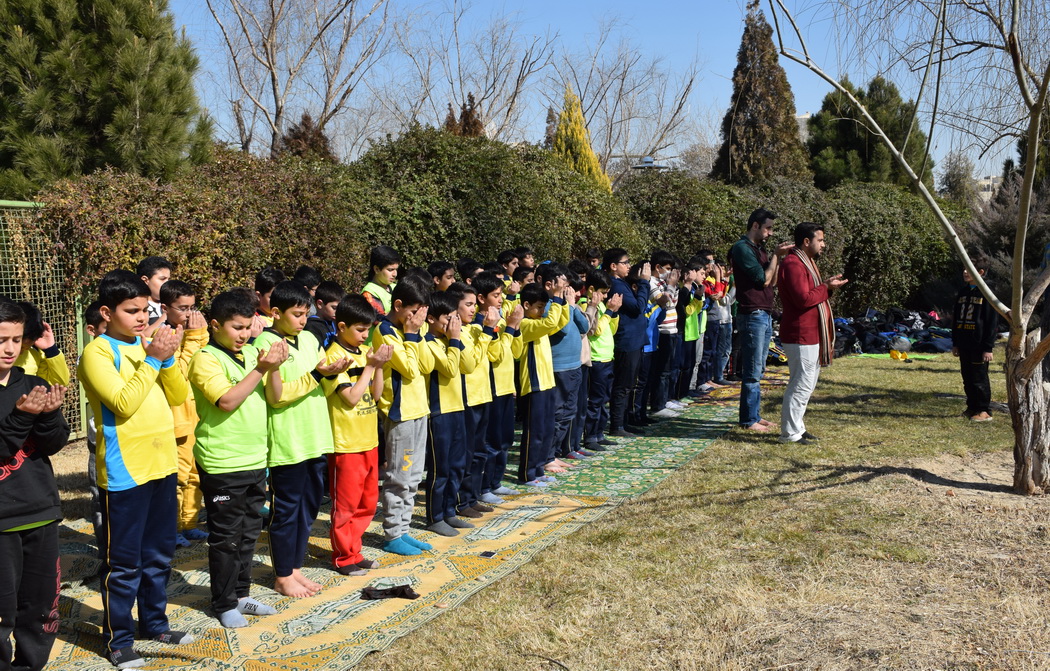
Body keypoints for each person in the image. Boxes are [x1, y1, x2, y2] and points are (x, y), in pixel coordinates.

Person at [77, 270, 194, 668]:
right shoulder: (97, 352)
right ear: (107, 313)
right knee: (124, 563)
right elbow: (123, 404)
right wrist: (153, 359)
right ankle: (119, 640)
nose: (142, 318)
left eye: (146, 309)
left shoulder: (147, 347)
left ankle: (155, 624)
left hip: (161, 466)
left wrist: (166, 360)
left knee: (159, 555)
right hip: (125, 472)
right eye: (132, 311)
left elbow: (178, 395)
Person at [187, 290, 287, 628]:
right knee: (226, 538)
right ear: (215, 325)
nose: (244, 335)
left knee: (249, 533)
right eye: (237, 328)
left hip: (256, 459)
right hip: (222, 463)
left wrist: (274, 369)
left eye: (248, 328)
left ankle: (241, 595)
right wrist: (262, 367)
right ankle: (223, 602)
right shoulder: (205, 359)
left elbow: (275, 398)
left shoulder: (250, 356)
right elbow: (227, 401)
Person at [254, 281, 343, 598]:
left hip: (315, 436)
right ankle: (281, 575)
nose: (303, 321)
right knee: (286, 510)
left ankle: (294, 568)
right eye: (296, 314)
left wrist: (332, 372)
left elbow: (318, 381)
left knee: (307, 509)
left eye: (306, 314)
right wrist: (319, 375)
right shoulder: (265, 343)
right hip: (288, 441)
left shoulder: (308, 338)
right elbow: (277, 397)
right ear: (275, 313)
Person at [0, 297, 70, 671]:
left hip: (40, 512)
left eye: (15, 339)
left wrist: (48, 416)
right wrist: (22, 416)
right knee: (2, 613)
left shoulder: (34, 383)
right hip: (2, 523)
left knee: (41, 610)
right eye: (0, 340)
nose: (10, 348)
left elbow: (54, 443)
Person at [321, 294, 392, 575]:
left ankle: (355, 550)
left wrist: (380, 368)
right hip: (346, 444)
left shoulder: (365, 354)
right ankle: (342, 557)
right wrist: (372, 367)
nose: (365, 336)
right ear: (341, 327)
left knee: (366, 502)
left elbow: (374, 395)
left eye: (368, 330)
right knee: (346, 505)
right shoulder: (334, 357)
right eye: (360, 330)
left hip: (369, 440)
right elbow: (350, 397)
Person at [373, 280, 435, 557]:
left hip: (419, 410)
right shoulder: (385, 332)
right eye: (413, 312)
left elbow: (426, 365)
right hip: (400, 415)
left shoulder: (409, 332)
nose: (417, 319)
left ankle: (404, 529)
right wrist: (411, 335)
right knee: (398, 476)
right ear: (398, 306)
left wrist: (415, 334)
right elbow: (409, 370)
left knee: (413, 477)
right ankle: (393, 533)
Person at [778, 223, 847, 444]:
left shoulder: (804, 263)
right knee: (801, 383)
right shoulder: (793, 264)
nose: (823, 245)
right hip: (800, 333)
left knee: (807, 382)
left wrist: (827, 286)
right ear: (806, 242)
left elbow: (810, 295)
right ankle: (790, 433)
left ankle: (798, 427)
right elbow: (803, 299)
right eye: (821, 240)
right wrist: (826, 288)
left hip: (810, 333)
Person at [728, 208, 795, 432]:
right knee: (752, 370)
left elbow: (772, 281)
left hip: (764, 312)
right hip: (752, 313)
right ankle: (748, 420)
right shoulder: (742, 249)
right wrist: (776, 255)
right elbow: (761, 280)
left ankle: (754, 415)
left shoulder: (759, 250)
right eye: (768, 228)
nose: (771, 233)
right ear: (755, 226)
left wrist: (777, 259)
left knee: (760, 368)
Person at [159, 280, 210, 547]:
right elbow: (179, 372)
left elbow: (203, 364)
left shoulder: (194, 332)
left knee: (195, 475)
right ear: (165, 308)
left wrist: (198, 336)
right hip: (175, 417)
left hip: (197, 415)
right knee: (177, 478)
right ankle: (172, 528)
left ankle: (190, 524)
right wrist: (193, 337)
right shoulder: (164, 335)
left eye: (193, 307)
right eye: (182, 308)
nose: (189, 315)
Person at [421, 291, 474, 536]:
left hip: (458, 407)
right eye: (448, 318)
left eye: (455, 318)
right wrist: (453, 340)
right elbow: (451, 369)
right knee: (439, 468)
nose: (453, 323)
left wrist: (457, 338)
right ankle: (435, 516)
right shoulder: (429, 343)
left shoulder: (450, 339)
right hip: (439, 411)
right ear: (431, 319)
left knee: (456, 465)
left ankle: (450, 511)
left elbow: (468, 366)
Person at [448, 280, 501, 515]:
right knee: (466, 453)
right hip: (467, 398)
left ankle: (472, 495)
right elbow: (470, 363)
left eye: (473, 304)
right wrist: (487, 332)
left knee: (480, 451)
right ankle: (461, 500)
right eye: (467, 305)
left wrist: (492, 330)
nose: (472, 309)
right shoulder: (456, 333)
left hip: (483, 395)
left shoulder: (476, 328)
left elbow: (495, 354)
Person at [515, 283, 570, 487]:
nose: (542, 312)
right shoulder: (525, 324)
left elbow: (559, 322)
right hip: (533, 384)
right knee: (534, 432)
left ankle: (538, 469)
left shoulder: (539, 322)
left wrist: (561, 301)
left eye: (544, 307)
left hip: (547, 383)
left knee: (546, 430)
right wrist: (555, 299)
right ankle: (528, 473)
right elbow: (549, 324)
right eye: (539, 307)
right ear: (526, 305)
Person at [603, 248, 651, 437]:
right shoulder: (616, 285)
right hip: (626, 340)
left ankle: (625, 421)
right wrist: (644, 282)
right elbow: (638, 307)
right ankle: (616, 425)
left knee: (631, 383)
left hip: (635, 339)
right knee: (622, 385)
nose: (629, 266)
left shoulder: (622, 283)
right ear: (614, 266)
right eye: (625, 262)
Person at [952, 256, 999, 422]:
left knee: (979, 378)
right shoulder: (963, 292)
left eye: (969, 269)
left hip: (979, 345)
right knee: (967, 377)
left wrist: (988, 347)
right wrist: (955, 343)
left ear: (980, 272)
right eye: (964, 268)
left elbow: (992, 322)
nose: (965, 272)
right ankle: (971, 407)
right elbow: (955, 318)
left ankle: (983, 410)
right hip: (964, 342)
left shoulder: (987, 293)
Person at [583, 270, 622, 451]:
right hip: (596, 359)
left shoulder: (602, 307)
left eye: (608, 292)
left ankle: (599, 433)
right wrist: (609, 312)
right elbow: (596, 330)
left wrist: (614, 313)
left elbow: (610, 330)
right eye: (603, 292)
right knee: (595, 400)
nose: (606, 296)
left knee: (604, 399)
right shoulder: (587, 305)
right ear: (591, 289)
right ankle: (590, 436)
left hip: (608, 357)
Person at [13, 302, 71, 388]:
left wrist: (51, 350)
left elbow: (58, 384)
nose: (21, 352)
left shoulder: (36, 354)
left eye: (26, 348)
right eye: (20, 346)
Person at [304, 280, 345, 350]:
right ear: (320, 304)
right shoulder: (311, 327)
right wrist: (336, 340)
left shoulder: (334, 322)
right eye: (334, 308)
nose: (337, 311)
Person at [363, 246, 400, 317]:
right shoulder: (369, 293)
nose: (395, 274)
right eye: (390, 270)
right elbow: (380, 320)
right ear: (377, 269)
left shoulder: (395, 286)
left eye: (396, 269)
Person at [136, 256, 172, 324]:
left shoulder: (171, 303)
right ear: (145, 280)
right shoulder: (136, 307)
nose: (167, 283)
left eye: (168, 279)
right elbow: (143, 333)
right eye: (162, 279)